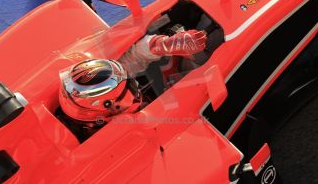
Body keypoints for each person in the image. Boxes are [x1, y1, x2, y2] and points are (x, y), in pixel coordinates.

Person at [57, 27, 207, 141]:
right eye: (129, 90)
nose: (135, 90)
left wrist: (164, 44)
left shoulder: (93, 101)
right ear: (109, 110)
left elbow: (131, 60)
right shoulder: (119, 141)